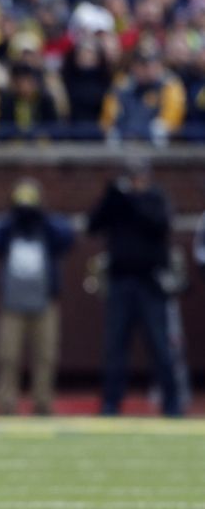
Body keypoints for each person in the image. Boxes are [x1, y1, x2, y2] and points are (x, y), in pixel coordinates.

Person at [87, 158, 180, 416]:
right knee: (115, 346)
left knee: (160, 345)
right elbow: (93, 225)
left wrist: (131, 202)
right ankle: (111, 403)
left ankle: (171, 404)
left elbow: (158, 224)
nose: (136, 181)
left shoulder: (155, 199)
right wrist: (110, 198)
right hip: (120, 282)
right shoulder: (118, 201)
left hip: (149, 282)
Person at [0, 179, 74, 415]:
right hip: (12, 304)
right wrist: (14, 218)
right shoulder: (9, 227)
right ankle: (5, 402)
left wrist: (40, 217)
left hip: (44, 303)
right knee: (7, 356)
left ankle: (43, 402)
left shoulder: (46, 226)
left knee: (45, 356)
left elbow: (67, 238)